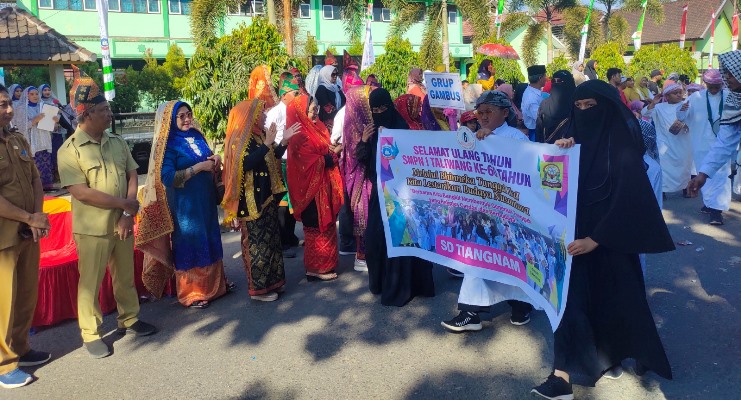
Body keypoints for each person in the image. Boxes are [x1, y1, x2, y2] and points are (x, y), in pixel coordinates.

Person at [531, 80, 674, 400]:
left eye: (591, 108)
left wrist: (596, 239)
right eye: (578, 108)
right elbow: (539, 174)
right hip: (575, 240)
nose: (583, 114)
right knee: (571, 303)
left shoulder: (622, 146)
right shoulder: (572, 139)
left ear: (607, 109)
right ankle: (561, 377)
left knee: (617, 300)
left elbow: (629, 198)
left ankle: (610, 359)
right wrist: (562, 152)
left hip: (610, 242)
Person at [58, 68, 157, 359]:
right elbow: (80, 191)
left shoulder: (116, 141)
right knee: (89, 282)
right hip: (92, 229)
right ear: (86, 115)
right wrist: (123, 205)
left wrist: (127, 213)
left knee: (124, 275)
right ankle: (91, 333)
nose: (109, 114)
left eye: (108, 109)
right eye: (103, 110)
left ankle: (130, 318)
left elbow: (132, 174)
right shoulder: (70, 150)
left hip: (121, 222)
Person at [442, 91, 530, 333]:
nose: (482, 117)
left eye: (488, 112)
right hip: (481, 210)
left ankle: (521, 305)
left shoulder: (516, 137)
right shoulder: (471, 136)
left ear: (505, 113)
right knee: (477, 259)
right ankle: (470, 312)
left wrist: (494, 141)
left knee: (511, 260)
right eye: (479, 112)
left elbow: (523, 169)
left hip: (509, 212)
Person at [135, 101, 230, 309]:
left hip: (204, 201)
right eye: (182, 116)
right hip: (185, 206)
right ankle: (192, 292)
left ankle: (216, 286)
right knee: (191, 242)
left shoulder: (196, 135)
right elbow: (168, 178)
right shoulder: (168, 144)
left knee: (210, 237)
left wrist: (214, 159)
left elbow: (206, 159)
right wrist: (198, 168)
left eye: (189, 114)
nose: (187, 119)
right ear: (171, 120)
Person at [356, 88, 435, 306]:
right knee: (374, 240)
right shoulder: (371, 132)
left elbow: (406, 165)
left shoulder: (401, 129)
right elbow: (366, 163)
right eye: (375, 109)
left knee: (400, 239)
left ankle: (402, 286)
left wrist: (391, 142)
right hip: (378, 197)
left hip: (401, 196)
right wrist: (365, 141)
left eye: (384, 108)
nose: (380, 112)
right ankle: (379, 282)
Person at [0, 84, 52, 389]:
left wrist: (37, 216)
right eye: (2, 105)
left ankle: (20, 348)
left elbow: (34, 178)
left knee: (25, 295)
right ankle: (4, 363)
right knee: (3, 300)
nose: (8, 110)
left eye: (8, 103)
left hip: (28, 232)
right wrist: (27, 217)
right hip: (4, 237)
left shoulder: (17, 138)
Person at [222, 99, 296, 302]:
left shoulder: (260, 135)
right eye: (261, 113)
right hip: (251, 201)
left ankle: (274, 283)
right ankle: (259, 290)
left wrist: (282, 142)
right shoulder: (241, 139)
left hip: (267, 196)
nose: (265, 116)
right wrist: (266, 144)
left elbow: (272, 157)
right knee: (257, 246)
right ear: (251, 116)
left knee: (271, 242)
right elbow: (245, 163)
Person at [286, 95, 344, 281]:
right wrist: (334, 153)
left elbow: (325, 148)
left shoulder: (317, 126)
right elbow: (312, 162)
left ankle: (326, 264)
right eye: (311, 110)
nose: (315, 113)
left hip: (323, 186)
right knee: (315, 227)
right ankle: (315, 268)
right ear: (301, 113)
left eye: (316, 109)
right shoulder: (299, 135)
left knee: (326, 226)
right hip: (310, 190)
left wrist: (331, 149)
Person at [677, 69, 731, 225]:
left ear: (722, 83)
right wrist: (681, 111)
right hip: (701, 143)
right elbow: (681, 116)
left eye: (717, 86)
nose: (714, 89)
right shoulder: (696, 98)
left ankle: (716, 211)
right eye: (711, 86)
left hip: (723, 144)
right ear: (706, 84)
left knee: (721, 176)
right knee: (704, 174)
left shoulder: (729, 97)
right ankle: (709, 203)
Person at [688, 51, 741, 199]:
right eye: (726, 74)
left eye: (731, 74)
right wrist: (703, 174)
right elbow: (725, 142)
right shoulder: (734, 102)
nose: (727, 78)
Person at [265, 73, 302, 258]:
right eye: (294, 93)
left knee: (293, 198)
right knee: (283, 200)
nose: (297, 96)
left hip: (294, 159)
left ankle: (290, 236)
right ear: (283, 95)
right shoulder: (275, 113)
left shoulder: (295, 110)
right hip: (281, 160)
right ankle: (282, 241)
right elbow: (268, 139)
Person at [642, 83, 693, 196]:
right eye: (675, 93)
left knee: (684, 166)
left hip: (683, 142)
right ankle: (663, 190)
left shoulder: (686, 105)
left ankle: (685, 188)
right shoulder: (659, 107)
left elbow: (693, 120)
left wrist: (687, 125)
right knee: (665, 167)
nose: (679, 95)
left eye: (680, 92)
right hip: (665, 143)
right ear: (667, 96)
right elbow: (645, 113)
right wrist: (654, 103)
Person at [12, 87, 55, 191]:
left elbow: (49, 124)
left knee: (46, 161)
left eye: (36, 94)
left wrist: (54, 120)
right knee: (35, 163)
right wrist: (35, 120)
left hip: (44, 138)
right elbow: (21, 126)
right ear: (27, 95)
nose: (35, 96)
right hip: (31, 140)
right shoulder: (22, 108)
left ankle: (47, 185)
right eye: (32, 94)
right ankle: (36, 187)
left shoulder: (43, 106)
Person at [536, 70, 575, 143]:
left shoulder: (578, 104)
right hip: (549, 150)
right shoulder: (544, 104)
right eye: (554, 81)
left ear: (569, 82)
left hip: (570, 148)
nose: (556, 83)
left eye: (560, 81)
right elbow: (539, 130)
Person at [315, 65, 346, 131]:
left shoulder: (337, 87)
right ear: (326, 74)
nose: (335, 76)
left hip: (339, 120)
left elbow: (344, 102)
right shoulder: (321, 88)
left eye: (336, 74)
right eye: (332, 74)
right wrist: (340, 115)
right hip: (327, 122)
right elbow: (327, 108)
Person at [522, 65, 547, 141]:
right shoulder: (531, 98)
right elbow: (540, 118)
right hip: (536, 133)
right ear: (540, 78)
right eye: (545, 76)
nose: (546, 78)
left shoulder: (534, 92)